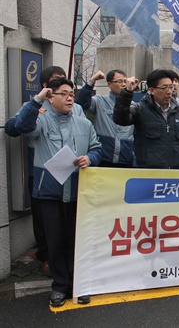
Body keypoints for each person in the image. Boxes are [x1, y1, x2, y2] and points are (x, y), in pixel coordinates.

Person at [13, 77, 101, 307]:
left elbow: (96, 149)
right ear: (50, 97)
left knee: (76, 241)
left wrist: (89, 158)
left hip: (77, 193)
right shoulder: (40, 121)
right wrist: (36, 101)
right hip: (50, 193)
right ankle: (60, 286)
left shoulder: (84, 123)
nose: (70, 97)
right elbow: (21, 126)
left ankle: (78, 286)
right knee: (55, 242)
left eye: (71, 93)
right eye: (63, 93)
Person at [4, 66, 85, 277]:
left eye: (68, 90)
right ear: (46, 88)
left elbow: (89, 139)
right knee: (45, 222)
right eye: (57, 84)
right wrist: (35, 108)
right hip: (42, 174)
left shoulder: (76, 110)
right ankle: (47, 257)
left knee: (70, 226)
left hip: (72, 177)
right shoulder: (34, 108)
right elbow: (14, 127)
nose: (66, 95)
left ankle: (71, 267)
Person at [113, 69, 179, 169]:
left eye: (171, 87)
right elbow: (120, 119)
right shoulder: (140, 109)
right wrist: (127, 92)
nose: (169, 92)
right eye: (164, 88)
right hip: (150, 175)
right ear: (151, 90)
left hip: (176, 176)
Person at [75, 69, 137, 167]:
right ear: (109, 84)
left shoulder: (133, 106)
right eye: (119, 81)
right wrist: (92, 81)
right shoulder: (100, 101)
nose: (123, 84)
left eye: (125, 81)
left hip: (126, 158)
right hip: (103, 157)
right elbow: (82, 103)